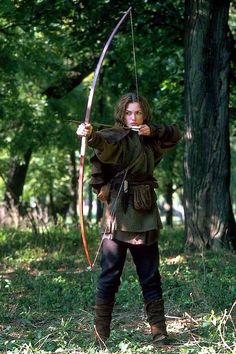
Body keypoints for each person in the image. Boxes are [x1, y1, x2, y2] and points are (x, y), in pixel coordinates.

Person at [76, 93, 181, 347]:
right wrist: (89, 134)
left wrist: (152, 130)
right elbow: (103, 144)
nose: (133, 117)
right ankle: (101, 335)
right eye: (128, 113)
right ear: (122, 115)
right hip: (118, 215)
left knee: (150, 275)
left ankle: (159, 332)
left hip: (144, 215)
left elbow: (175, 134)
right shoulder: (116, 136)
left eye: (138, 113)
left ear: (144, 115)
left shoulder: (151, 139)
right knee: (110, 275)